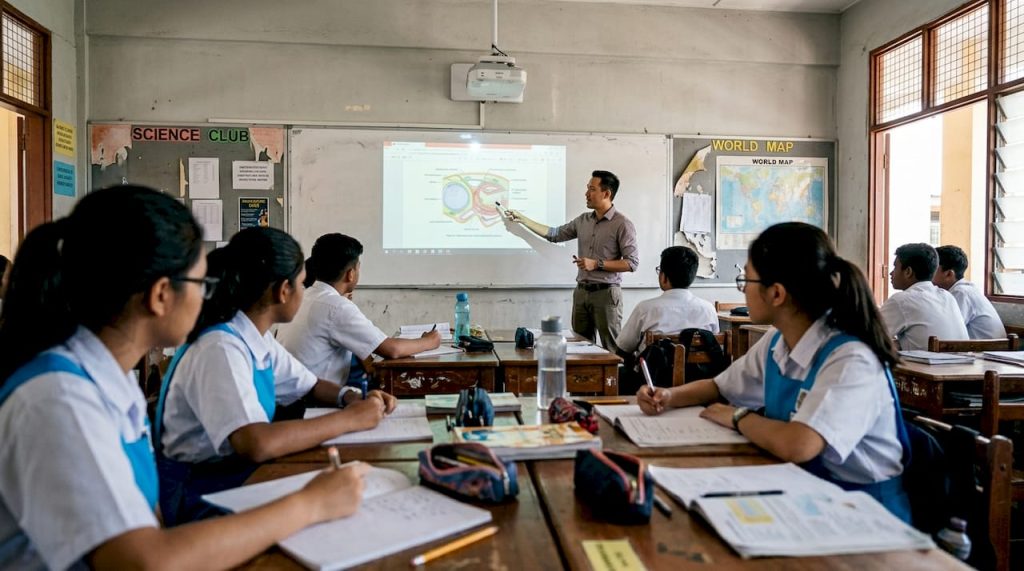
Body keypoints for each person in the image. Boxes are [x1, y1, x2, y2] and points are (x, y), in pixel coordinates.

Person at [0, 186, 368, 569]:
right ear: (161, 295)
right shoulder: (57, 399)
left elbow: (146, 515)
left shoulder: (110, 375)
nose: (208, 297)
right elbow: (144, 561)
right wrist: (310, 504)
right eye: (201, 285)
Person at [637, 222, 912, 522]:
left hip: (864, 515)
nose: (742, 291)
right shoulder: (779, 340)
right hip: (802, 492)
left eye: (747, 281)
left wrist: (739, 416)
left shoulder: (851, 358)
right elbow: (720, 387)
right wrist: (668, 395)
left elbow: (799, 444)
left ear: (776, 294)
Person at [156, 226, 397, 525]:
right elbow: (256, 443)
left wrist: (351, 398)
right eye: (300, 283)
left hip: (235, 475)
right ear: (283, 291)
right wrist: (349, 420)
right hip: (200, 492)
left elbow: (309, 384)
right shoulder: (220, 347)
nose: (303, 291)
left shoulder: (253, 336)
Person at [502, 170, 638, 353]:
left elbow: (631, 263)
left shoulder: (622, 224)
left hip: (606, 294)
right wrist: (523, 219)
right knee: (580, 348)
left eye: (592, 189)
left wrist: (597, 264)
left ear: (606, 193)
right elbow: (554, 234)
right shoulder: (583, 220)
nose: (586, 194)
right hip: (581, 292)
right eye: (587, 189)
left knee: (611, 349)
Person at [279, 233, 441, 385]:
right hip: (315, 402)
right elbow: (392, 350)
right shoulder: (337, 307)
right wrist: (430, 341)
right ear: (350, 274)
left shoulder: (305, 296)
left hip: (291, 394)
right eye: (358, 268)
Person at [614, 245, 718, 357]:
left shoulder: (645, 309)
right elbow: (714, 346)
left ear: (663, 277)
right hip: (700, 374)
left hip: (655, 374)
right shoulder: (709, 309)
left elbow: (623, 349)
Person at [879, 243, 968, 350]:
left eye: (895, 267)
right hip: (961, 364)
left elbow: (867, 336)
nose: (891, 273)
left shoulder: (901, 301)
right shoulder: (947, 296)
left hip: (924, 366)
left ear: (908, 272)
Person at [933, 245, 1007, 340]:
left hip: (986, 350)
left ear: (949, 274)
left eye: (933, 269)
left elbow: (947, 329)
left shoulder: (961, 293)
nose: (929, 273)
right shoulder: (963, 289)